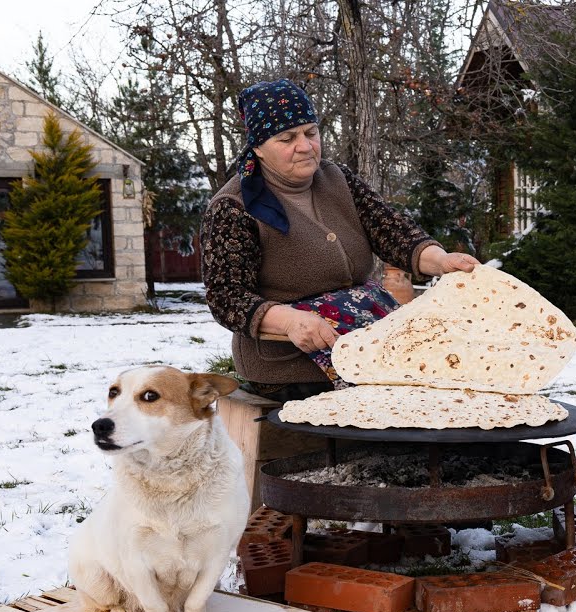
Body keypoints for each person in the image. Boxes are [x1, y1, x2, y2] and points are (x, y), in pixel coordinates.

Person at [201, 79, 478, 401]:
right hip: (292, 365)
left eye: (310, 132)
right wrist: (290, 321)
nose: (305, 146)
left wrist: (442, 261)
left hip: (367, 339)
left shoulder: (337, 178)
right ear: (258, 147)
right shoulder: (234, 206)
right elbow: (226, 297)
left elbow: (392, 231)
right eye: (287, 138)